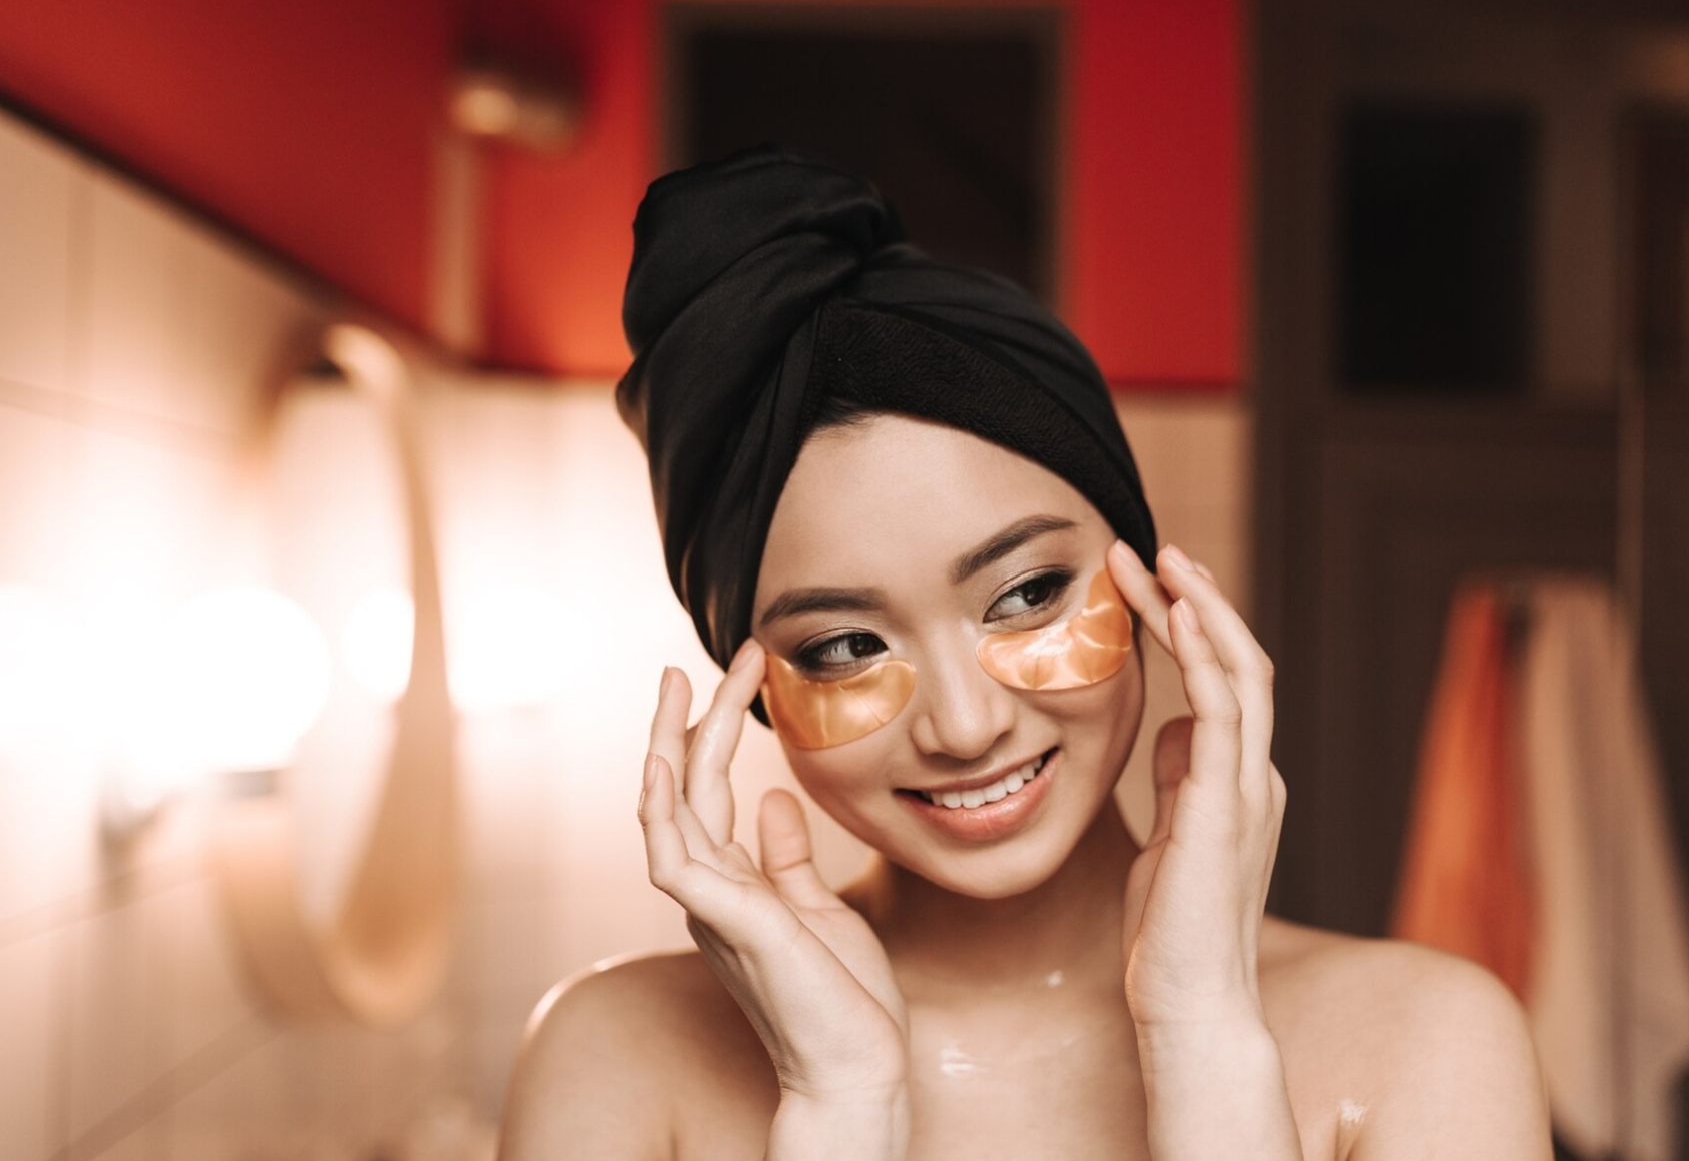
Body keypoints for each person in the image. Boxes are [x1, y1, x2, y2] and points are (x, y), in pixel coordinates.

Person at [497, 145, 1552, 1160]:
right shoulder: (615, 1061)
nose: (966, 723)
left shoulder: (1430, 1042)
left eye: (1028, 593)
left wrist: (1204, 1039)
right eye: (847, 645)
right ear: (756, 684)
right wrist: (840, 1108)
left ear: (1149, 576)